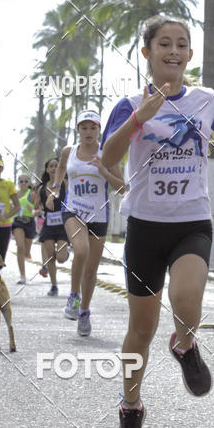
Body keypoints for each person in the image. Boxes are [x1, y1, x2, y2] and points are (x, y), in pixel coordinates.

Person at [101, 15, 214, 428]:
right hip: (144, 225)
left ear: (189, 54)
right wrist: (141, 116)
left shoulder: (206, 101)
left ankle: (185, 343)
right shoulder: (127, 104)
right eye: (163, 44)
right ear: (147, 53)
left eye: (181, 44)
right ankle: (130, 408)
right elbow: (109, 159)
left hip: (191, 222)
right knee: (141, 327)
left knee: (187, 300)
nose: (172, 51)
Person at [48, 110, 125, 335]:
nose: (88, 132)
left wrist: (103, 170)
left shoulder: (107, 154)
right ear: (78, 129)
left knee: (91, 272)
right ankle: (73, 296)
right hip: (73, 210)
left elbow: (122, 187)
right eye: (84, 127)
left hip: (99, 216)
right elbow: (62, 167)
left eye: (93, 127)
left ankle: (84, 311)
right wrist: (56, 187)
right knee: (80, 250)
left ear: (99, 129)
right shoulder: (68, 152)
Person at [35, 157, 69, 296]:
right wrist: (35, 207)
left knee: (60, 258)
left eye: (57, 166)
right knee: (50, 257)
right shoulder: (42, 188)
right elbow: (36, 205)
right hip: (48, 225)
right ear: (47, 170)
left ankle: (65, 254)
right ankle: (54, 286)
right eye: (51, 166)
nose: (54, 168)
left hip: (63, 225)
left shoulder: (65, 183)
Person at [12, 173, 38, 285]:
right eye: (21, 181)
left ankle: (27, 253)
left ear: (29, 183)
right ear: (18, 183)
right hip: (17, 222)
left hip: (29, 222)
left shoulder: (31, 194)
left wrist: (32, 210)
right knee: (20, 248)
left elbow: (39, 210)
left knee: (26, 252)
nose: (23, 183)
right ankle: (22, 275)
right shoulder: (14, 195)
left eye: (25, 181)